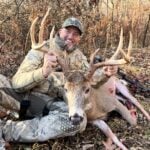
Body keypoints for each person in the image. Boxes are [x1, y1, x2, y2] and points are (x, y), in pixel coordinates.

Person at [0, 17, 117, 149]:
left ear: (79, 38)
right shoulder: (41, 49)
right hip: (21, 97)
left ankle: (7, 130)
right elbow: (17, 83)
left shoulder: (78, 57)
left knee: (78, 122)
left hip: (49, 105)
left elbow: (88, 81)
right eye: (68, 31)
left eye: (76, 34)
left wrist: (105, 74)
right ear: (60, 31)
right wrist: (43, 71)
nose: (71, 36)